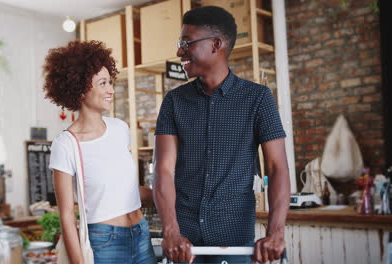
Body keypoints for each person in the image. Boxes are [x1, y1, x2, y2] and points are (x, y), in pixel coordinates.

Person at [153, 6, 290, 264]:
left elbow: (277, 167)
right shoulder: (174, 102)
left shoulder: (258, 99)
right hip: (184, 243)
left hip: (234, 240)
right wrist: (171, 231)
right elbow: (164, 171)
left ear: (216, 44)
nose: (179, 51)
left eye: (186, 42)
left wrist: (276, 233)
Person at [44, 40, 155, 264]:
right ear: (81, 88)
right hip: (104, 242)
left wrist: (166, 194)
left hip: (141, 233)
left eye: (110, 82)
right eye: (103, 83)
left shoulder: (120, 129)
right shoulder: (66, 144)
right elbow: (66, 215)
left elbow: (122, 189)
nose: (111, 90)